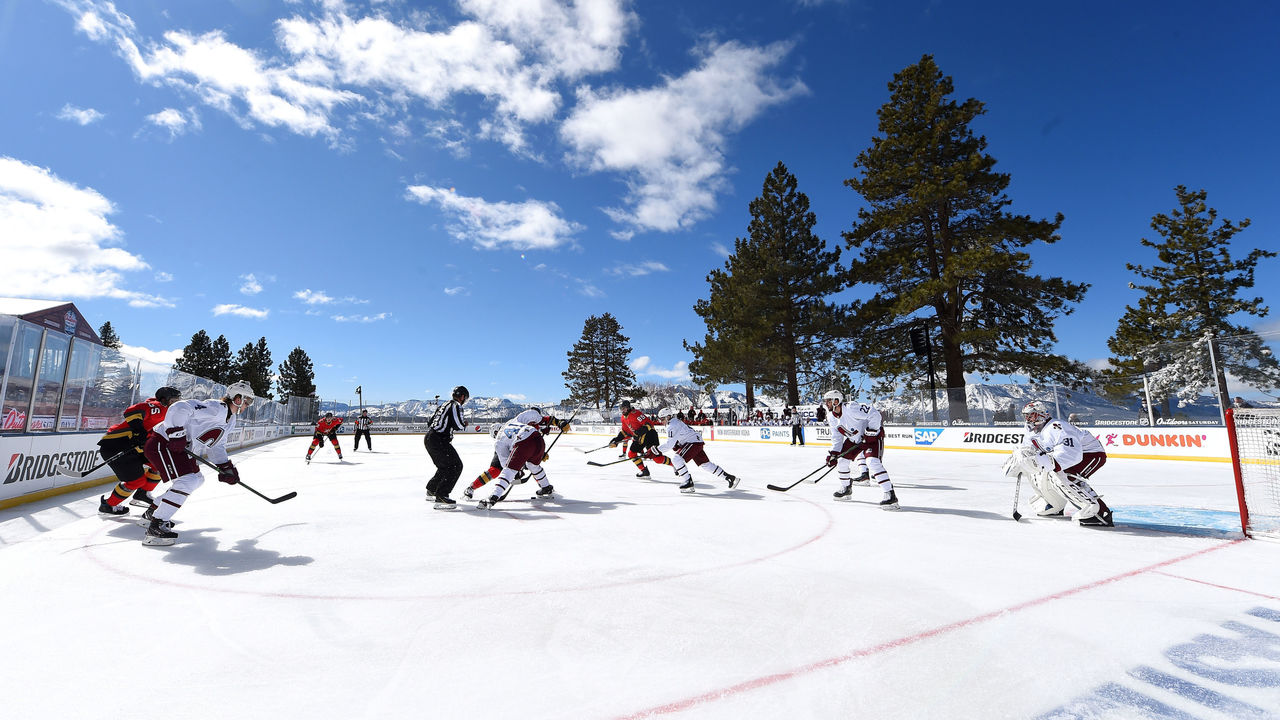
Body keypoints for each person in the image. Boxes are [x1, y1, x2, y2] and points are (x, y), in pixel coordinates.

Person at [139, 381, 254, 545]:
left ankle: (153, 512)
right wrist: (176, 432)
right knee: (188, 481)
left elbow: (216, 444)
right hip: (164, 442)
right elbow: (179, 408)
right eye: (247, 401)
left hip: (177, 446)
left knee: (197, 479)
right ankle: (156, 527)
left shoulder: (231, 419)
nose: (247, 405)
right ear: (237, 398)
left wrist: (225, 466)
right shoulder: (217, 408)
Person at [1017, 400, 1112, 527]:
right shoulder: (1032, 429)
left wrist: (1051, 463)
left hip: (1091, 454)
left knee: (1065, 476)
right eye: (1026, 416)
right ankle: (1054, 504)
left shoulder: (1056, 427)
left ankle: (1099, 513)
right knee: (1044, 472)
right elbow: (1027, 449)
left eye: (1031, 415)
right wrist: (1021, 462)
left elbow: (1071, 453)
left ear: (1041, 414)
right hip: (1077, 455)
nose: (1028, 419)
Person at [96, 386, 182, 517]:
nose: (176, 404)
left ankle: (142, 494)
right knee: (136, 481)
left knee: (159, 465)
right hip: (116, 445)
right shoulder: (158, 407)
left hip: (134, 447)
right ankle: (108, 505)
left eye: (178, 400)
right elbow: (132, 411)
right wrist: (139, 431)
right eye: (173, 401)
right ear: (164, 400)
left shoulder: (169, 413)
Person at [476, 409, 569, 509]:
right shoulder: (515, 420)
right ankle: (546, 487)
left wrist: (517, 472)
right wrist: (559, 422)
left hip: (523, 442)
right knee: (533, 466)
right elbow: (536, 416)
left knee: (509, 471)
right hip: (538, 440)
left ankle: (493, 497)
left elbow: (506, 465)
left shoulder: (498, 442)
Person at [823, 390, 898, 509]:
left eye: (828, 401)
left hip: (871, 438)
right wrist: (833, 453)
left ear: (836, 401)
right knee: (841, 461)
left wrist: (871, 432)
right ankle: (846, 488)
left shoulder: (850, 408)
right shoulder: (831, 417)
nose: (826, 404)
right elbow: (836, 437)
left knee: (872, 462)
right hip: (854, 440)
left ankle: (890, 495)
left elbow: (875, 414)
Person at [653, 407, 739, 493]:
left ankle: (688, 482)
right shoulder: (675, 422)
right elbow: (675, 442)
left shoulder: (671, 425)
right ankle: (730, 478)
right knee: (706, 464)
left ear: (668, 417)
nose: (661, 421)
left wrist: (656, 450)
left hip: (693, 442)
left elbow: (669, 444)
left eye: (662, 419)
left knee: (676, 459)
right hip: (695, 441)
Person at [424, 385, 469, 510]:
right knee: (456, 466)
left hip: (430, 438)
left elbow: (430, 422)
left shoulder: (444, 405)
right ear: (462, 396)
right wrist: (464, 424)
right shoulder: (456, 405)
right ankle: (442, 496)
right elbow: (458, 424)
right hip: (439, 440)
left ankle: (432, 490)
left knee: (445, 466)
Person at [608, 400, 670, 477]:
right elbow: (625, 431)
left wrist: (638, 432)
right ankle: (644, 471)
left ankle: (676, 466)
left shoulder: (636, 414)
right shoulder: (623, 418)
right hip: (640, 438)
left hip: (650, 435)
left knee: (657, 458)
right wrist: (616, 440)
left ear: (628, 408)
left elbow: (649, 424)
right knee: (631, 454)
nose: (622, 410)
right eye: (621, 409)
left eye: (624, 408)